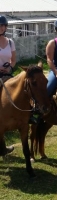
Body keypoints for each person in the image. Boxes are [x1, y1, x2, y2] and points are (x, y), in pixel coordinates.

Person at [0, 15, 16, 154]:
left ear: (6, 27)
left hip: (7, 74)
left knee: (22, 89)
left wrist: (10, 68)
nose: (0, 27)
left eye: (2, 25)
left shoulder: (10, 42)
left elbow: (13, 60)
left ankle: (29, 116)